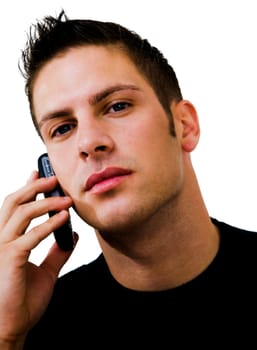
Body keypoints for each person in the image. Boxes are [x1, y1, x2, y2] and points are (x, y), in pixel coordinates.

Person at [0, 9, 257, 349]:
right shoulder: (27, 325)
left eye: (117, 106)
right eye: (63, 128)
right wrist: (8, 336)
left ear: (184, 126)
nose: (89, 142)